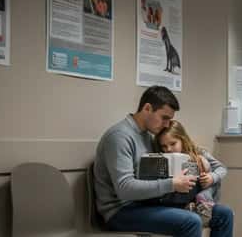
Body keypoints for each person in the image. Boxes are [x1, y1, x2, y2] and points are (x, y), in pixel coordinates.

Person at [94, 86, 234, 237]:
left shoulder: (148, 137)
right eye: (164, 118)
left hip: (149, 203)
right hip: (121, 211)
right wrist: (172, 184)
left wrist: (195, 167)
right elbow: (124, 188)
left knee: (223, 214)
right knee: (191, 221)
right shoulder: (119, 137)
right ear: (147, 108)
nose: (167, 124)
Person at [156, 120, 226, 227]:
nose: (168, 149)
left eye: (173, 144)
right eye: (164, 146)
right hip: (179, 196)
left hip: (200, 192)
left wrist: (211, 178)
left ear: (183, 140)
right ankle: (196, 206)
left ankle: (203, 202)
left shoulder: (197, 151)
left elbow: (221, 168)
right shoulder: (162, 157)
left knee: (209, 171)